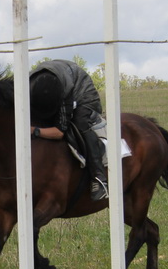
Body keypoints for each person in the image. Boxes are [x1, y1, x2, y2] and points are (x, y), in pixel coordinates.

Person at [29, 59, 109, 200]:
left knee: (80, 122)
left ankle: (99, 178)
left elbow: (59, 132)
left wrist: (35, 130)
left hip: (82, 93)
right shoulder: (26, 87)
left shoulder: (65, 95)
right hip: (54, 82)